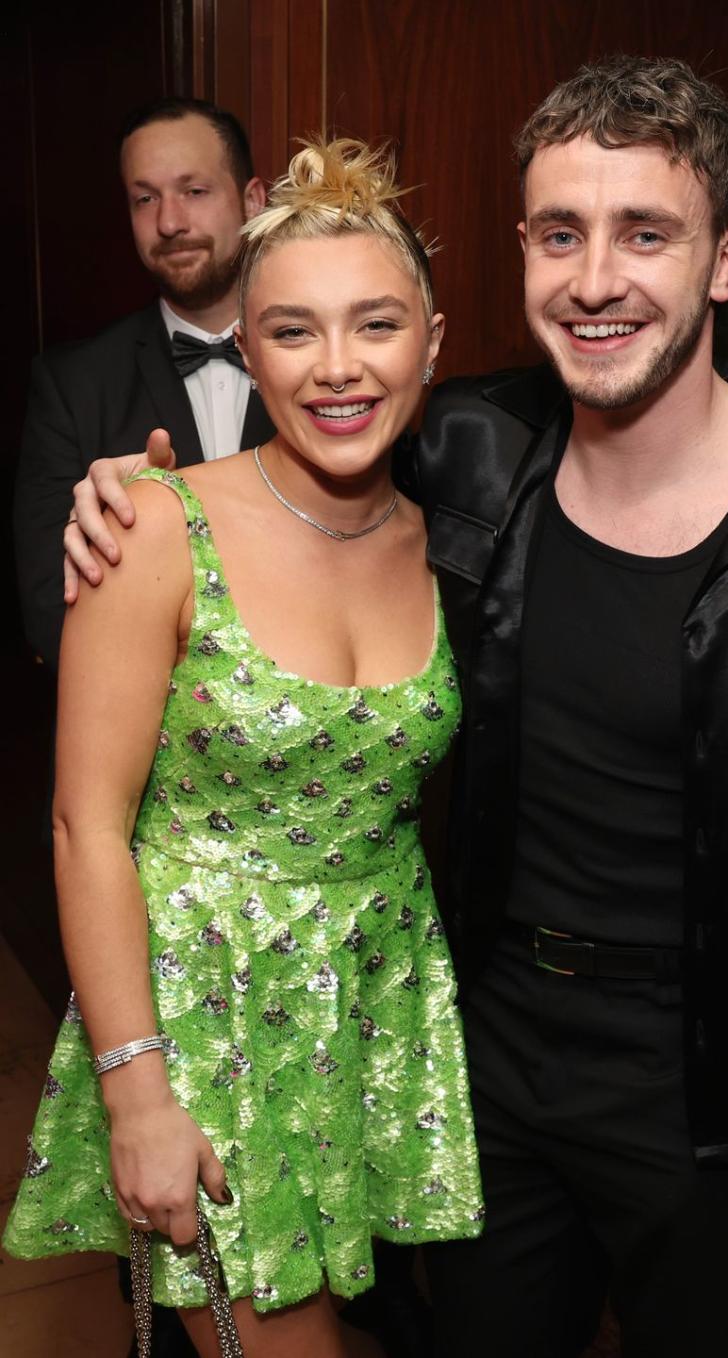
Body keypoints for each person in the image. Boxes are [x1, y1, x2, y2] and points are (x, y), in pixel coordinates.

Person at [60, 56, 728, 1358]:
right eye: (559, 234)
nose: (596, 278)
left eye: (645, 231)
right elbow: (300, 462)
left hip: (707, 1089)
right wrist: (130, 491)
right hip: (476, 1066)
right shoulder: (466, 449)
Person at [4, 137, 483, 1358]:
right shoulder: (155, 522)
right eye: (292, 331)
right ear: (247, 346)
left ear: (432, 340)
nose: (337, 368)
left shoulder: (460, 536)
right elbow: (86, 825)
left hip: (373, 1006)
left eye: (375, 325)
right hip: (204, 1010)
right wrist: (136, 1088)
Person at [15, 96, 273, 671]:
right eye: (145, 198)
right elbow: (49, 610)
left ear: (253, 201)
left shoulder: (323, 367)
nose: (170, 222)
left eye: (195, 191)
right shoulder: (70, 384)